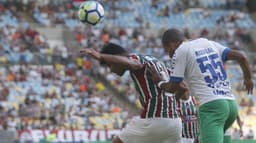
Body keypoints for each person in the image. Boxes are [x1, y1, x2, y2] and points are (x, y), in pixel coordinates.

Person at [150, 28, 254, 143]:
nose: (169, 54)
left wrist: (159, 82)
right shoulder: (208, 43)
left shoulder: (180, 51)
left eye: (167, 50)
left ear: (172, 43)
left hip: (211, 106)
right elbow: (241, 57)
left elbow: (173, 87)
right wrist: (248, 78)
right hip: (231, 106)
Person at [80, 43, 183, 143]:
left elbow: (134, 65)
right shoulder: (154, 60)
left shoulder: (135, 59)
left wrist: (100, 56)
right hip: (175, 123)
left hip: (155, 120)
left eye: (109, 65)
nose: (110, 69)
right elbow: (179, 87)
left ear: (118, 57)